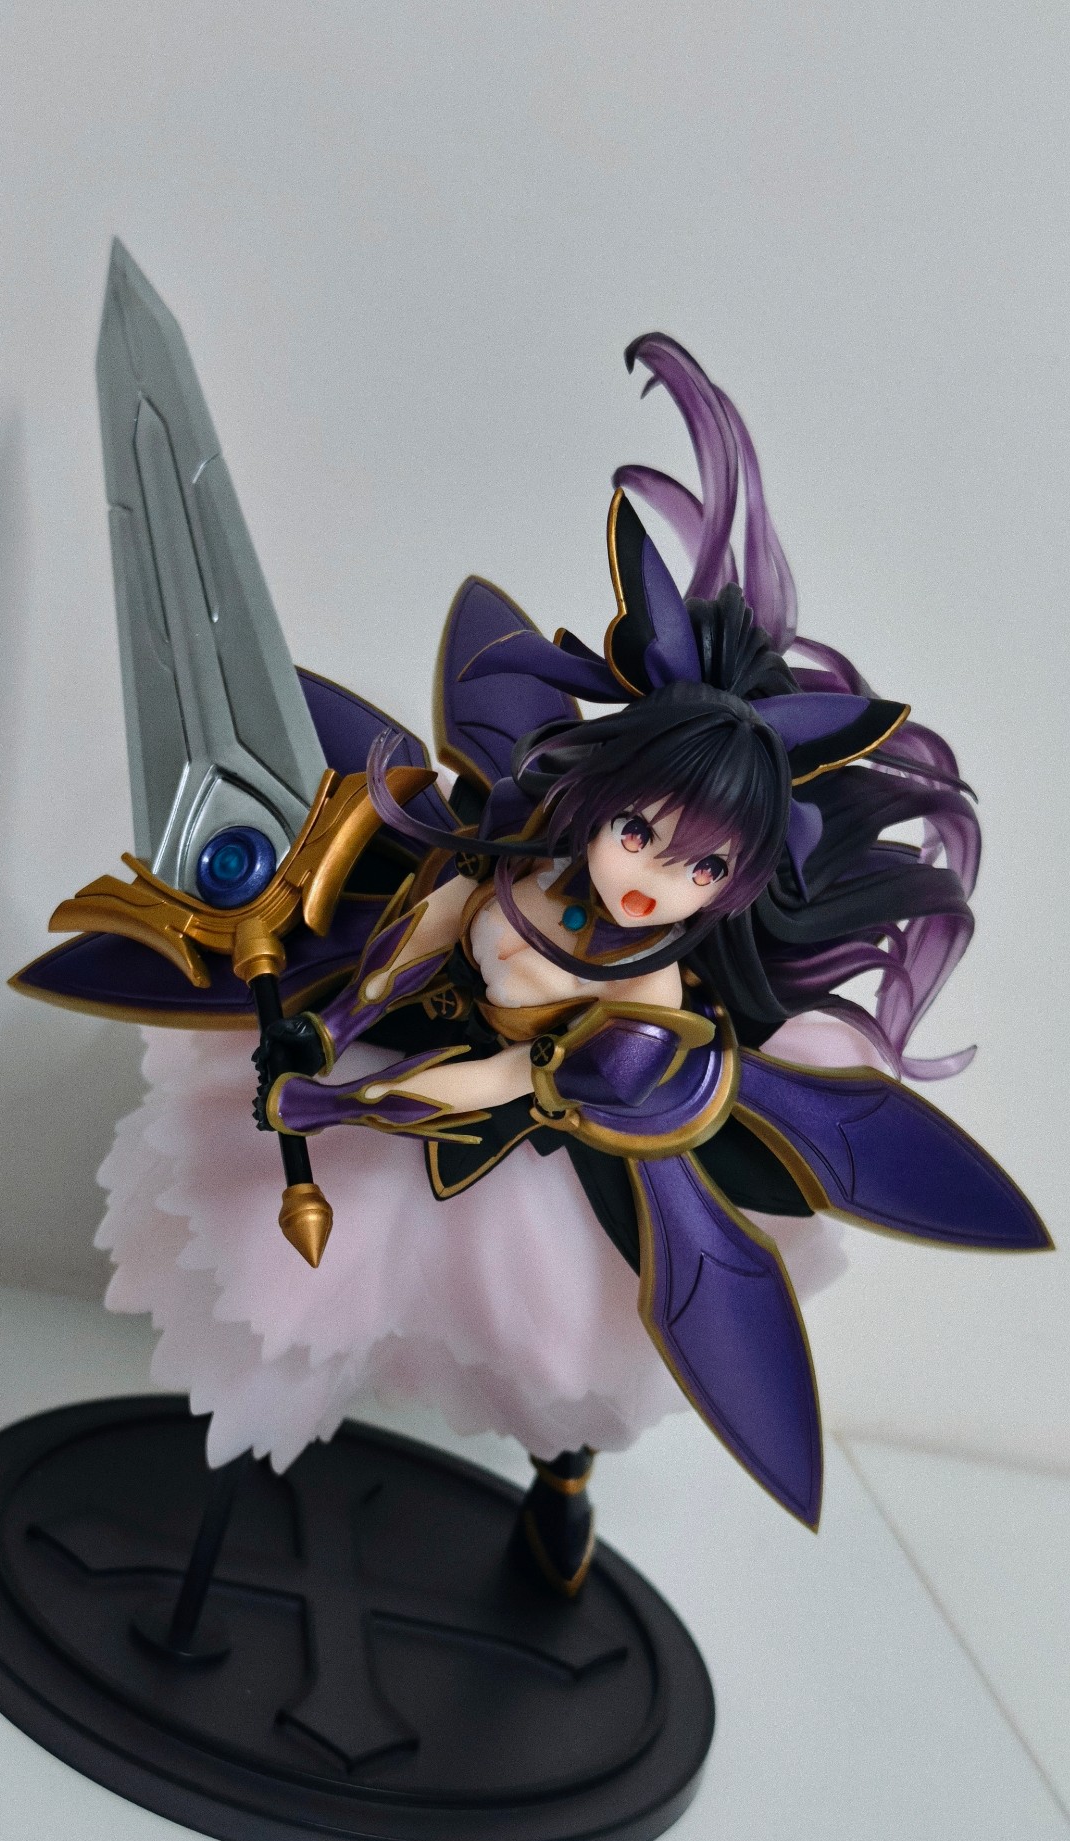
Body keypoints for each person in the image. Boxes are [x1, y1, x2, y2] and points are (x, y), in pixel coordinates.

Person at [95, 333, 1047, 1597]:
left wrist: (344, 1105)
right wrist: (331, 1033)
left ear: (738, 884)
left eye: (703, 867)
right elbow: (420, 934)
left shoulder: (646, 1000)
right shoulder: (518, 866)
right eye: (642, 832)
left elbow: (501, 1088)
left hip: (534, 1140)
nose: (654, 878)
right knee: (285, 1293)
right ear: (603, 796)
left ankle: (564, 1476)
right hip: (409, 1044)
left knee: (558, 1353)